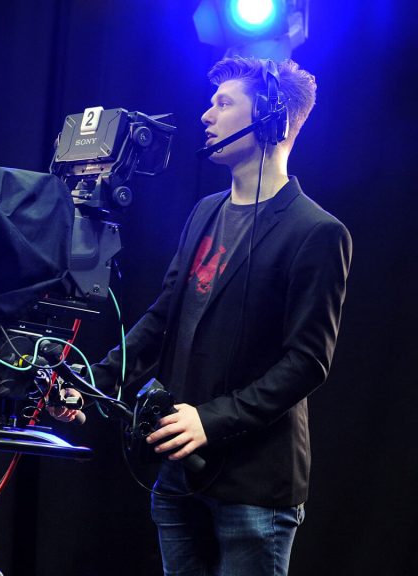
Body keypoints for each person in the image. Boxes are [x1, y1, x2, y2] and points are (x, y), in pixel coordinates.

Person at [51, 57, 351, 575]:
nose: (206, 115)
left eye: (223, 103)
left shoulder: (317, 232)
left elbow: (307, 363)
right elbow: (162, 317)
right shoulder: (204, 211)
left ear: (271, 119)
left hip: (255, 489)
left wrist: (209, 420)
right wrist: (90, 379)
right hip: (179, 477)